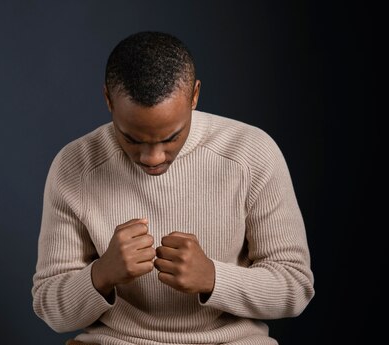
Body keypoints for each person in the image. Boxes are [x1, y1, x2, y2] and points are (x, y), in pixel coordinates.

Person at [32, 31, 315, 345]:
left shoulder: (251, 153)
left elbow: (294, 287)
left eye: (170, 138)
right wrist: (101, 275)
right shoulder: (75, 166)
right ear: (108, 100)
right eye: (132, 139)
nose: (152, 157)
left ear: (194, 96)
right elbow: (51, 309)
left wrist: (213, 278)